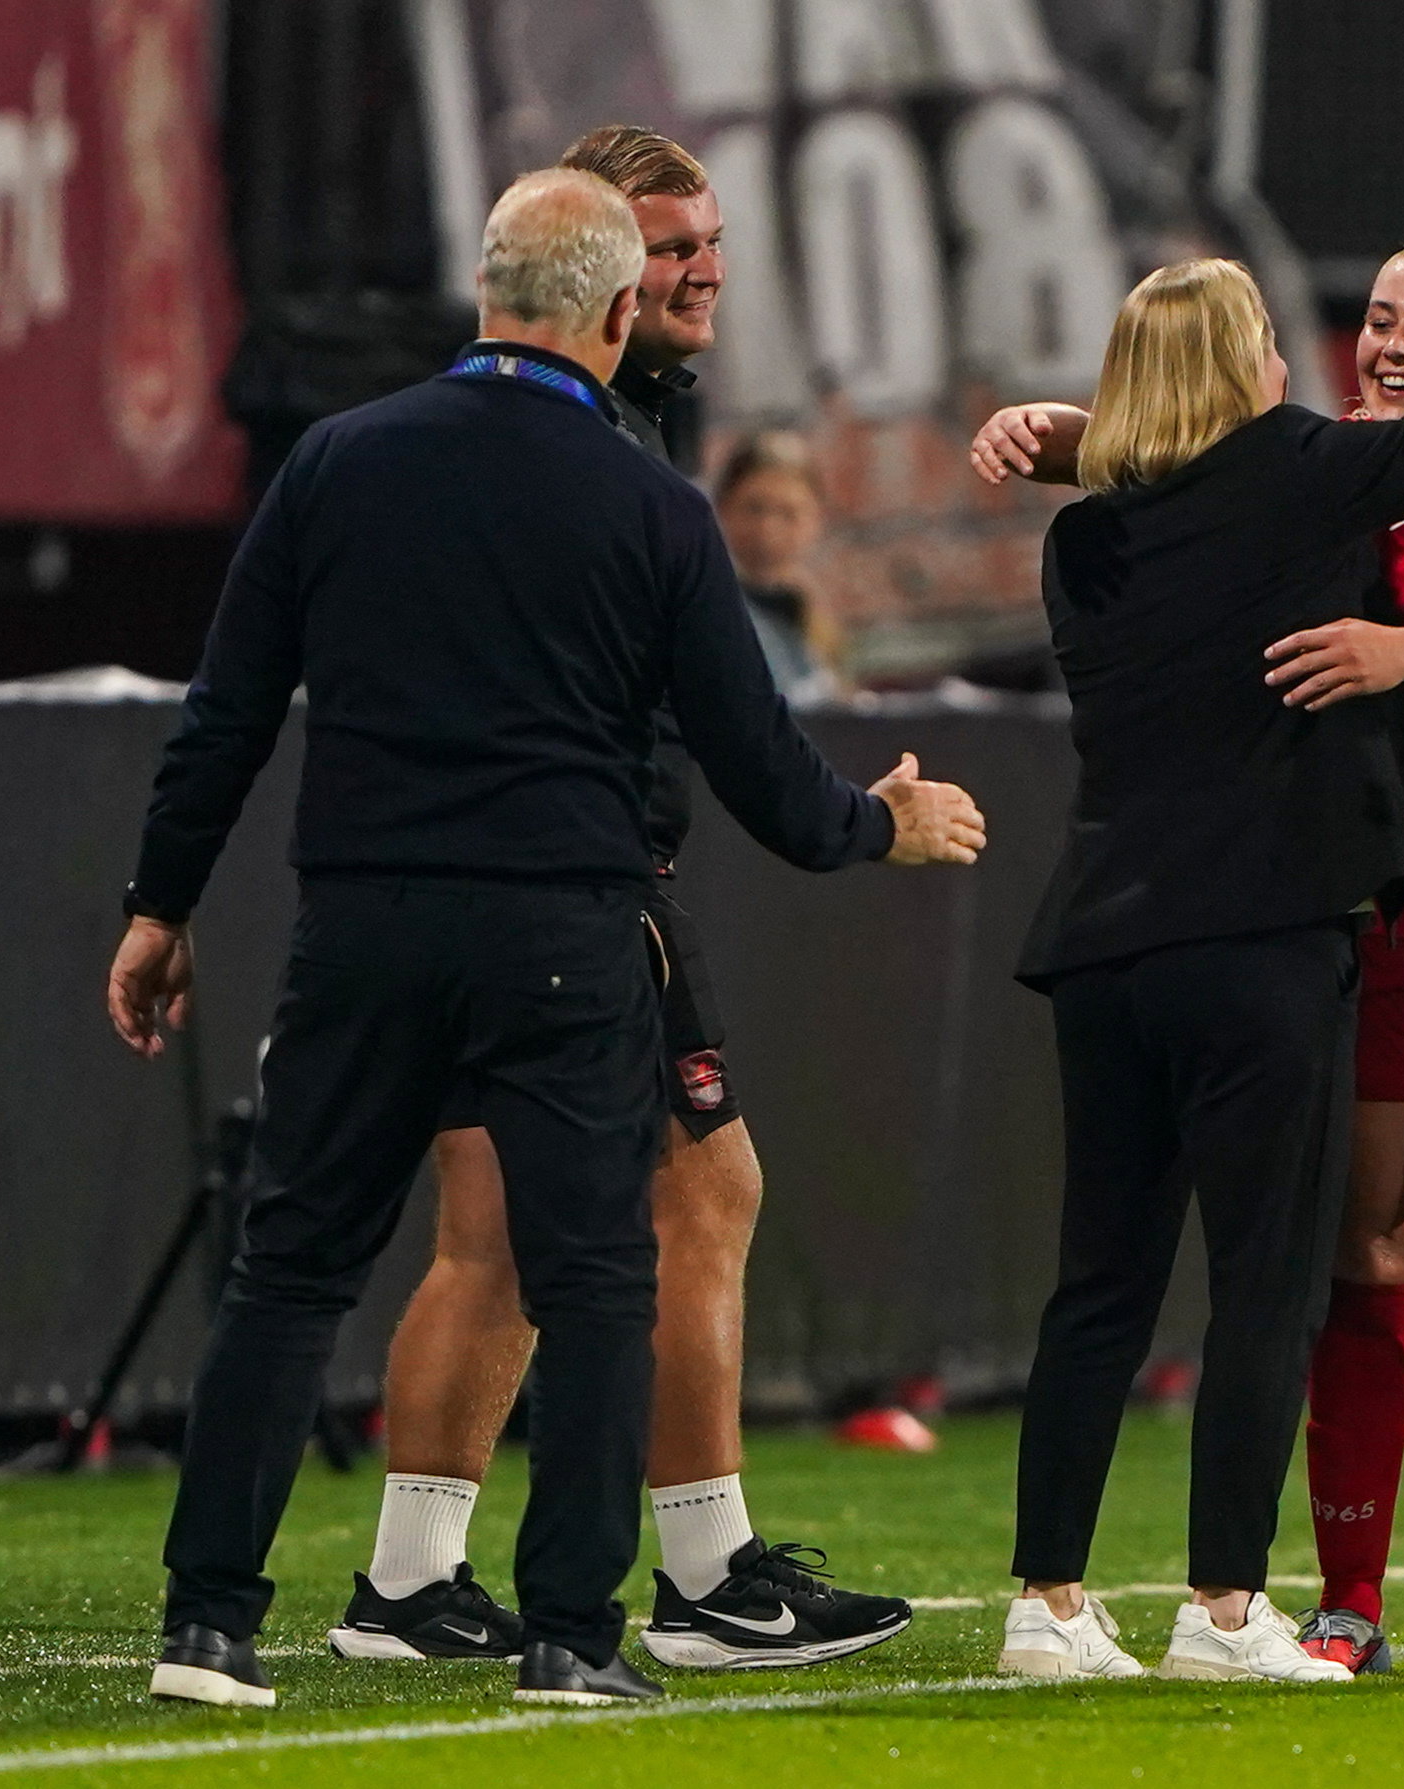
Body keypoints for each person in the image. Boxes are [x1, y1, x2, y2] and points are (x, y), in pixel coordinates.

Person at [106, 167, 983, 1712]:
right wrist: (878, 826)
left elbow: (225, 716)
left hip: (362, 926)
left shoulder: (335, 463)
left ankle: (209, 1627)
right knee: (593, 1282)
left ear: (487, 290)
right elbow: (759, 766)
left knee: (291, 1272)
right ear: (616, 307)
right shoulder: (649, 501)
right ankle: (575, 1639)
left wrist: (158, 905)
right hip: (564, 931)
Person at [975, 257, 1404, 1685]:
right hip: (1367, 901)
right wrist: (1047, 427)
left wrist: (1389, 649)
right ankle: (1329, 1596)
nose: (1395, 343)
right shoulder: (1322, 474)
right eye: (1380, 320)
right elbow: (1177, 457)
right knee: (1353, 1252)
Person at [328, 127, 910, 1677]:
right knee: (690, 1198)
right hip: (578, 886)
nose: (700, 267)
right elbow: (732, 728)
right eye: (669, 246)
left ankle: (407, 1579)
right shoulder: (601, 454)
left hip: (477, 879)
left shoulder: (575, 432)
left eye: (708, 239)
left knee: (504, 1234)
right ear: (590, 266)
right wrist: (870, 823)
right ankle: (706, 1570)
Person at [714, 431, 848, 702]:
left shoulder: (812, 615)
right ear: (723, 507)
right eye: (754, 509)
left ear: (816, 519)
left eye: (788, 513)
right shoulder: (711, 607)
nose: (768, 529)